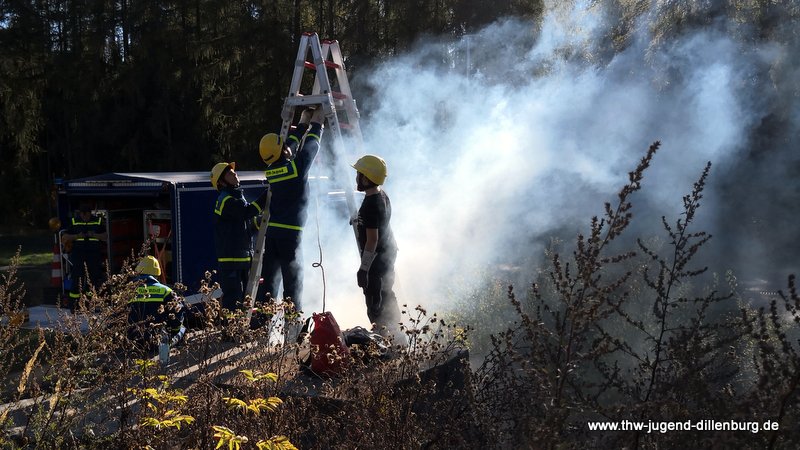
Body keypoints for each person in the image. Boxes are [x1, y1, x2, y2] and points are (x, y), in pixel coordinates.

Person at [256, 107, 324, 313]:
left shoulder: (271, 171)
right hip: (290, 235)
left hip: (274, 234)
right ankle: (292, 329)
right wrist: (317, 125)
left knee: (269, 283)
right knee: (292, 283)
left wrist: (302, 124)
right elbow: (310, 148)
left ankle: (262, 326)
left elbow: (288, 149)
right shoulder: (295, 169)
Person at [352, 155, 403, 337]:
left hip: (377, 261)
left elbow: (372, 239)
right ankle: (399, 337)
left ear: (367, 178)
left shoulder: (370, 205)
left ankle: (388, 342)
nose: (356, 178)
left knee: (376, 304)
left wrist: (364, 269)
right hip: (388, 253)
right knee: (387, 295)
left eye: (359, 174)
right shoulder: (382, 195)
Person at [211, 161, 269, 311]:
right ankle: (232, 334)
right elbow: (246, 212)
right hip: (231, 260)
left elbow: (247, 225)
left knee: (245, 300)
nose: (235, 174)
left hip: (243, 258)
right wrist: (269, 192)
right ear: (222, 182)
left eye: (233, 171)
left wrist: (261, 223)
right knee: (233, 301)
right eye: (230, 173)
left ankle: (241, 332)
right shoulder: (225, 200)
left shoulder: (237, 197)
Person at [128, 255, 186, 350]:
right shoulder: (166, 291)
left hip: (132, 343)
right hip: (156, 342)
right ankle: (166, 347)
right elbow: (176, 316)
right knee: (182, 328)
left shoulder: (128, 291)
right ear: (157, 274)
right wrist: (174, 331)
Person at [62, 200, 107, 311]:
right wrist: (77, 236)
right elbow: (65, 236)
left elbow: (106, 235)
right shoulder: (74, 221)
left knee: (93, 279)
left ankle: (89, 304)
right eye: (82, 213)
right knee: (77, 279)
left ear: (90, 213)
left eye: (86, 213)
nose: (84, 215)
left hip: (93, 254)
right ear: (79, 213)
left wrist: (94, 235)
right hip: (78, 254)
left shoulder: (98, 221)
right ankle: (74, 306)